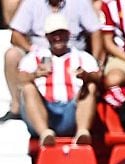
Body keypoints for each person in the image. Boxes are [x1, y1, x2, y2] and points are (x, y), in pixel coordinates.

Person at [17, 13, 100, 147]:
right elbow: (20, 79)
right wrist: (35, 75)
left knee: (90, 87)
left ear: (68, 34)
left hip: (71, 110)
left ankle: (82, 131)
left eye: (61, 33)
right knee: (28, 88)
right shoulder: (34, 57)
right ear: (47, 36)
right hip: (44, 110)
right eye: (53, 34)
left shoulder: (82, 57)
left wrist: (86, 75)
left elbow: (98, 76)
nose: (57, 38)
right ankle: (45, 133)